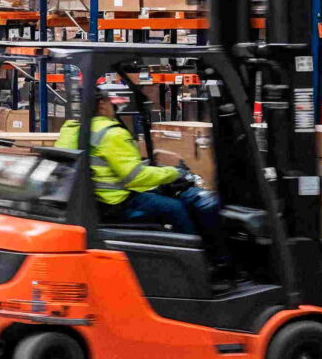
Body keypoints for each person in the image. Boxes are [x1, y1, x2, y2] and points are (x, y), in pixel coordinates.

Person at [59, 86, 225, 255]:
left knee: (158, 196)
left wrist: (153, 171)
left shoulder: (70, 129)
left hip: (91, 202)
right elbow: (135, 177)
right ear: (102, 104)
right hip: (115, 204)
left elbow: (107, 165)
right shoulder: (111, 133)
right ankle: (196, 259)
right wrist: (175, 173)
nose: (113, 107)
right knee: (174, 208)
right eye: (110, 102)